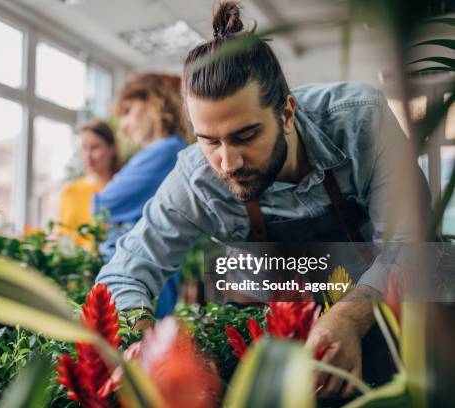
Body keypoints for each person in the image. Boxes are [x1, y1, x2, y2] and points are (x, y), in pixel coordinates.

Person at [96, 1, 431, 400]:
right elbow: (124, 273)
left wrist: (351, 314)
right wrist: (146, 346)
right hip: (276, 350)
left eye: (245, 136)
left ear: (287, 113)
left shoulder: (359, 121)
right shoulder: (195, 178)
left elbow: (411, 247)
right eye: (210, 141)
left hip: (393, 327)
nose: (228, 162)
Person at [92, 73, 190, 316]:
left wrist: (111, 187)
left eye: (128, 111)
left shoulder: (166, 150)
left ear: (153, 104)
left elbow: (103, 204)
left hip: (140, 273)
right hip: (137, 272)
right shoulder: (155, 152)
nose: (123, 126)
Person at [59, 119, 117, 248]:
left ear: (112, 149)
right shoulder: (69, 191)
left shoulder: (120, 190)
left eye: (95, 147)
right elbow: (62, 234)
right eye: (84, 148)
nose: (88, 156)